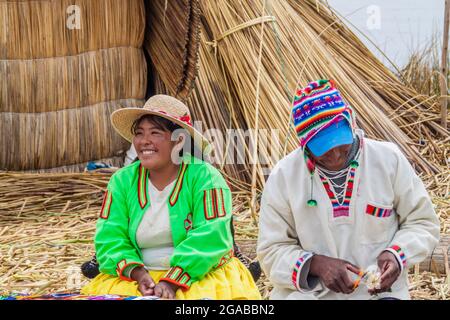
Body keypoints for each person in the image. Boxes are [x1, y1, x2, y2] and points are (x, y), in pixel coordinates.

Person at [256, 79, 440, 300]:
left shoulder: (388, 160)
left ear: (350, 123)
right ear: (304, 145)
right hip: (315, 295)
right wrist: (315, 265)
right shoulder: (284, 177)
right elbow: (271, 250)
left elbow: (423, 222)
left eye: (340, 144)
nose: (335, 156)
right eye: (323, 150)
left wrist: (396, 254)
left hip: (379, 294)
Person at [81, 95, 261, 300]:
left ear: (179, 140)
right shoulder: (122, 181)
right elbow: (110, 237)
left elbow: (211, 237)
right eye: (139, 133)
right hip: (137, 279)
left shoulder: (205, 178)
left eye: (155, 133)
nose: (144, 141)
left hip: (199, 275)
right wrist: (139, 274)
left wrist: (171, 281)